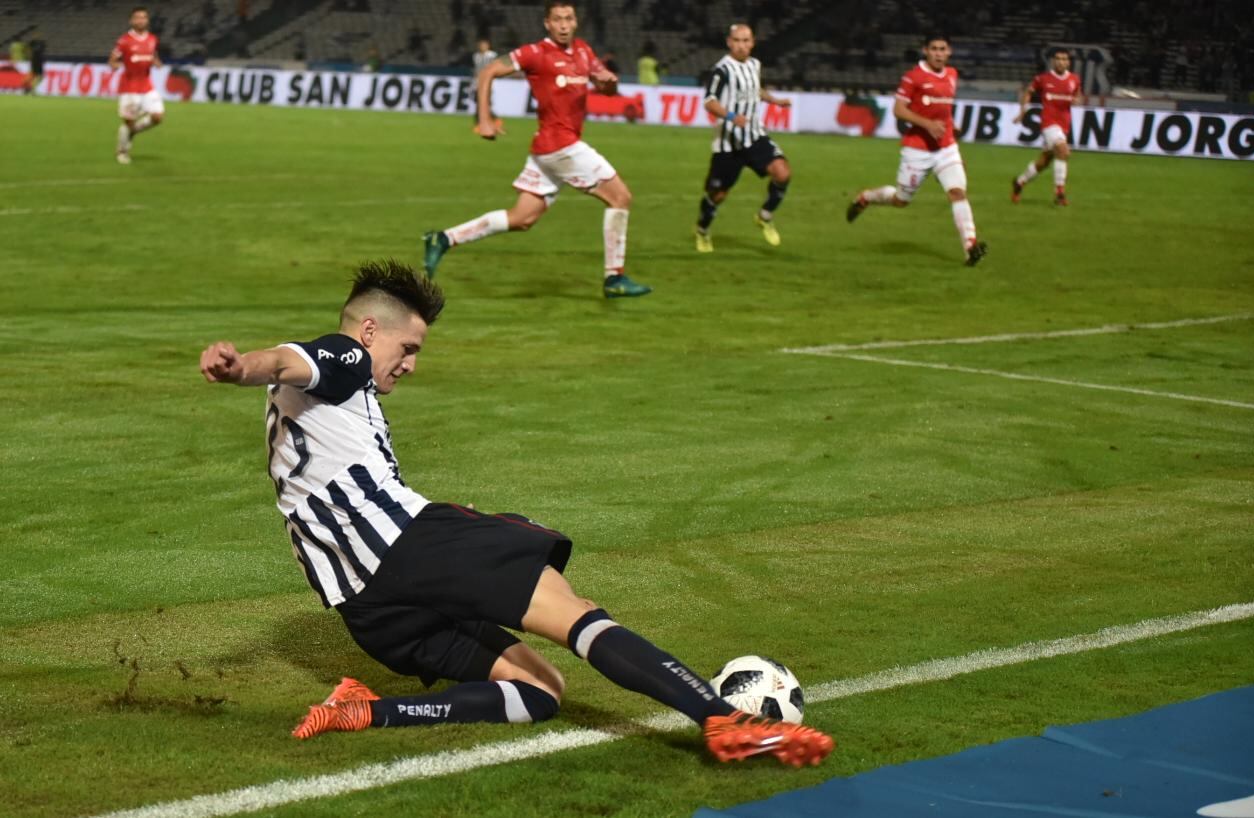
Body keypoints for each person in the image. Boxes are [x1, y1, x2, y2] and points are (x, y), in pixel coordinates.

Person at [197, 260, 834, 766]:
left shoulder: (321, 398)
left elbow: (294, 385)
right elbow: (284, 359)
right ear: (369, 331)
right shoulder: (345, 356)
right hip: (405, 546)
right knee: (577, 615)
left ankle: (364, 710)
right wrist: (237, 367)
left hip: (362, 601)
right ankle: (723, 721)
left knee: (540, 692)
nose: (411, 364)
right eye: (409, 346)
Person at [422, 2, 651, 299]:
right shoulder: (535, 53)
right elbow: (489, 71)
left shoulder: (584, 51)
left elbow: (605, 85)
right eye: (557, 20)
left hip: (549, 150)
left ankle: (443, 239)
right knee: (620, 197)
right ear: (547, 23)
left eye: (569, 18)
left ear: (576, 21)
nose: (564, 25)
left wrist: (610, 83)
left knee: (522, 218)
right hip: (561, 146)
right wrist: (485, 119)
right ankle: (614, 278)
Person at [846, 34, 988, 267]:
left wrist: (950, 125)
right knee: (901, 200)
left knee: (957, 193)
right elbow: (899, 110)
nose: (939, 53)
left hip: (946, 147)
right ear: (926, 51)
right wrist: (928, 124)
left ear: (949, 51)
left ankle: (970, 246)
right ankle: (867, 197)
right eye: (934, 49)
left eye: (943, 49)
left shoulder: (952, 75)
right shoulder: (913, 77)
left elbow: (943, 108)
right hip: (918, 150)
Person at [694, 23, 793, 253]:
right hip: (729, 143)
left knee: (783, 172)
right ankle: (702, 230)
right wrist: (730, 115)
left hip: (754, 135)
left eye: (746, 40)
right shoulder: (722, 69)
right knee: (717, 195)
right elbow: (709, 101)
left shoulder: (755, 65)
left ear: (752, 42)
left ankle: (765, 216)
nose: (741, 45)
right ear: (729, 42)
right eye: (737, 41)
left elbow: (755, 90)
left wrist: (774, 101)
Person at [1011, 48, 1083, 207]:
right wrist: (1022, 112)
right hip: (1049, 123)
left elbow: (1078, 95)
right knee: (1063, 151)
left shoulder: (1074, 79)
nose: (1061, 62)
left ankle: (1019, 182)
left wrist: (1077, 99)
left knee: (1044, 162)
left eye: (1064, 59)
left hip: (1064, 124)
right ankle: (1059, 192)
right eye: (1058, 59)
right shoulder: (1043, 79)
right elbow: (1028, 92)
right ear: (1053, 61)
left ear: (1068, 62)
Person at [109, 6, 164, 165]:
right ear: (131, 21)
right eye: (137, 17)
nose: (141, 20)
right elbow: (113, 60)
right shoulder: (124, 40)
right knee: (129, 121)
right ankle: (122, 151)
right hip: (129, 87)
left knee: (157, 117)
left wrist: (156, 62)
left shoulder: (153, 39)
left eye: (144, 17)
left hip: (147, 85)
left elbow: (153, 56)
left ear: (147, 20)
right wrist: (116, 65)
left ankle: (132, 132)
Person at [471, 37, 499, 127]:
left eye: (484, 45)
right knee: (478, 102)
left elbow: (495, 67)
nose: (482, 47)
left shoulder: (492, 55)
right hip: (477, 82)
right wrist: (474, 80)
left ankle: (491, 119)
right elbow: (476, 70)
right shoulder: (476, 56)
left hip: (488, 82)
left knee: (484, 103)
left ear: (488, 46)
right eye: (481, 45)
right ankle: (482, 121)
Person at [25, 30, 45, 95]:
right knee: (36, 75)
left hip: (39, 60)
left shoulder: (42, 43)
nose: (37, 35)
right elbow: (28, 50)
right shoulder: (31, 43)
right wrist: (29, 57)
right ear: (33, 36)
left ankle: (28, 87)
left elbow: (42, 52)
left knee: (39, 76)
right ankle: (31, 89)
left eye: (38, 34)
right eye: (35, 34)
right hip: (34, 60)